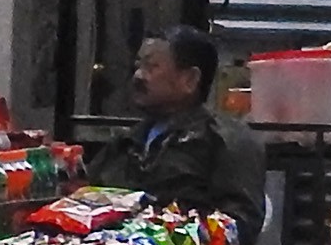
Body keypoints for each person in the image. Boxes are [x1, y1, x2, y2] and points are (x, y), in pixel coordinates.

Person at [88, 25, 264, 233]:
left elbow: (240, 225)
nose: (138, 76)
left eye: (151, 67)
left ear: (190, 80)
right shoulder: (125, 142)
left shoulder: (225, 142)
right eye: (137, 66)